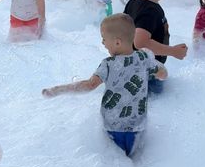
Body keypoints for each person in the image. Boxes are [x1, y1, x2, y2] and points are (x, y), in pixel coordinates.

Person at [42, 13, 167, 158]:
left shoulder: (108, 64)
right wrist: (155, 68)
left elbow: (89, 85)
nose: (102, 43)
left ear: (117, 42)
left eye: (104, 39)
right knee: (135, 158)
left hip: (113, 127)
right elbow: (163, 74)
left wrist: (58, 90)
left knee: (115, 160)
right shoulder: (144, 58)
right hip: (138, 127)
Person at [123, 0, 187, 94]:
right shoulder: (151, 10)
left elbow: (124, 29)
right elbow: (141, 42)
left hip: (133, 68)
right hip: (147, 74)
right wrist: (172, 51)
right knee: (156, 96)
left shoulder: (134, 1)